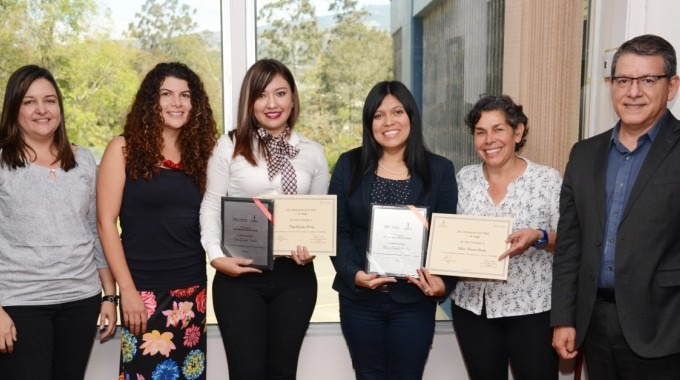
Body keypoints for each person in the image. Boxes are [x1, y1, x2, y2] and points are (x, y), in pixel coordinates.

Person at [551, 34, 680, 379]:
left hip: (665, 328)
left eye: (648, 80)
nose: (633, 91)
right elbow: (569, 246)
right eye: (623, 80)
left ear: (672, 86)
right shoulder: (583, 154)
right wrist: (564, 317)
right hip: (593, 324)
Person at [200, 58, 329, 379]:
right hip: (240, 275)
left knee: (283, 372)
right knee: (246, 373)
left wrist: (312, 244)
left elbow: (319, 214)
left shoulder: (313, 152)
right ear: (250, 101)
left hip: (295, 277)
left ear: (293, 98)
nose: (272, 104)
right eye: (261, 95)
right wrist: (216, 257)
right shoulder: (228, 146)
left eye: (280, 93)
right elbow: (211, 206)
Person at [328, 80, 457, 379]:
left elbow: (447, 236)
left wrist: (444, 283)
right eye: (378, 115)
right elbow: (339, 229)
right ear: (369, 122)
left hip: (414, 301)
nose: (389, 122)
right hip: (359, 299)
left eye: (397, 111)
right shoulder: (349, 164)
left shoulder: (439, 169)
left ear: (411, 115)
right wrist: (353, 274)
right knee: (368, 374)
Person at [97, 62, 217, 379]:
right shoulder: (122, 150)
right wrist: (128, 291)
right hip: (143, 292)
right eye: (166, 94)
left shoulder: (204, 156)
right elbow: (105, 224)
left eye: (185, 95)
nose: (176, 103)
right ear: (152, 100)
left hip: (193, 292)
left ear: (196, 104)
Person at [0, 65, 117, 379]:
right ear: (14, 108)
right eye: (29, 102)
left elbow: (94, 231)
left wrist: (109, 295)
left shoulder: (83, 162)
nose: (42, 110)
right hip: (18, 303)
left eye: (49, 100)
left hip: (80, 300)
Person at [450, 95, 561, 379]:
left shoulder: (547, 180)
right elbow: (448, 236)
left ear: (518, 131)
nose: (489, 140)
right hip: (473, 308)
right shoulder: (464, 179)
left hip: (532, 309)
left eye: (498, 129)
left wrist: (539, 236)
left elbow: (571, 242)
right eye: (480, 132)